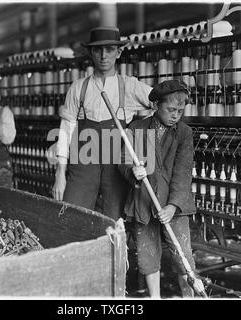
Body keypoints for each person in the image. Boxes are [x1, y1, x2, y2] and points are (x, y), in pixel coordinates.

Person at [52, 26, 153, 221]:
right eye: (98, 50)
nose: (103, 56)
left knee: (114, 220)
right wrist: (60, 175)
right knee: (72, 214)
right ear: (91, 52)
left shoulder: (129, 86)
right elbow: (66, 131)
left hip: (116, 164)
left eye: (109, 50)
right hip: (83, 162)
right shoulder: (78, 88)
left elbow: (162, 102)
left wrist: (142, 139)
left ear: (119, 52)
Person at [118, 80, 197, 297]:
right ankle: (154, 297)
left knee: (183, 256)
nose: (176, 115)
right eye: (171, 110)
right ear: (155, 106)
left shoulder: (184, 133)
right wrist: (132, 171)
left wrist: (173, 206)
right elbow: (123, 160)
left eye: (180, 111)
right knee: (148, 255)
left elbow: (182, 173)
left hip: (175, 206)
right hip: (144, 201)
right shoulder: (136, 129)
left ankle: (189, 296)